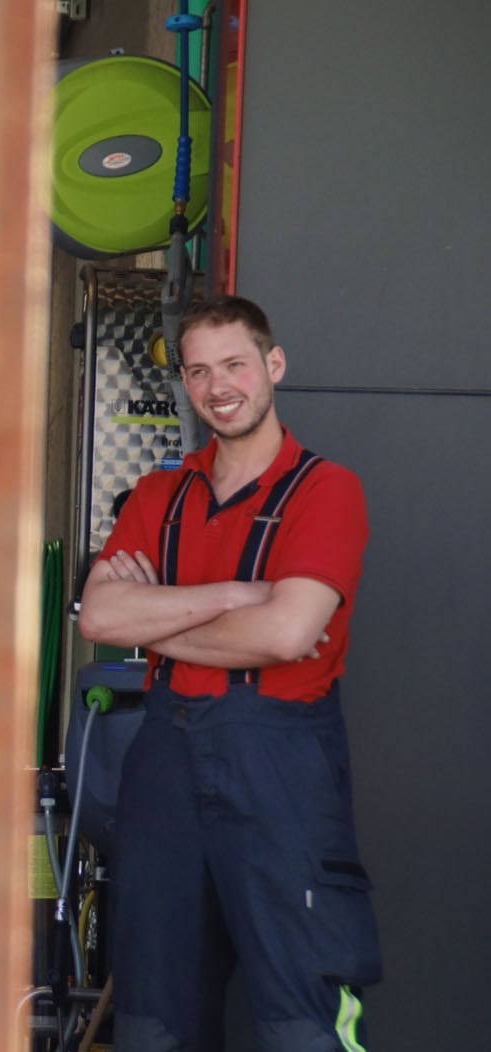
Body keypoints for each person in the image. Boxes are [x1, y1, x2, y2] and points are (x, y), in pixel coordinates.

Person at [78, 296, 382, 1051]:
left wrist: (158, 617)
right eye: (198, 371)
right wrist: (233, 597)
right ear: (184, 382)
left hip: (280, 766)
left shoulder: (325, 490)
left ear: (272, 365)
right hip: (163, 760)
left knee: (300, 1020)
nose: (218, 387)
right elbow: (100, 619)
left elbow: (286, 634)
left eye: (235, 365)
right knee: (153, 1019)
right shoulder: (158, 495)